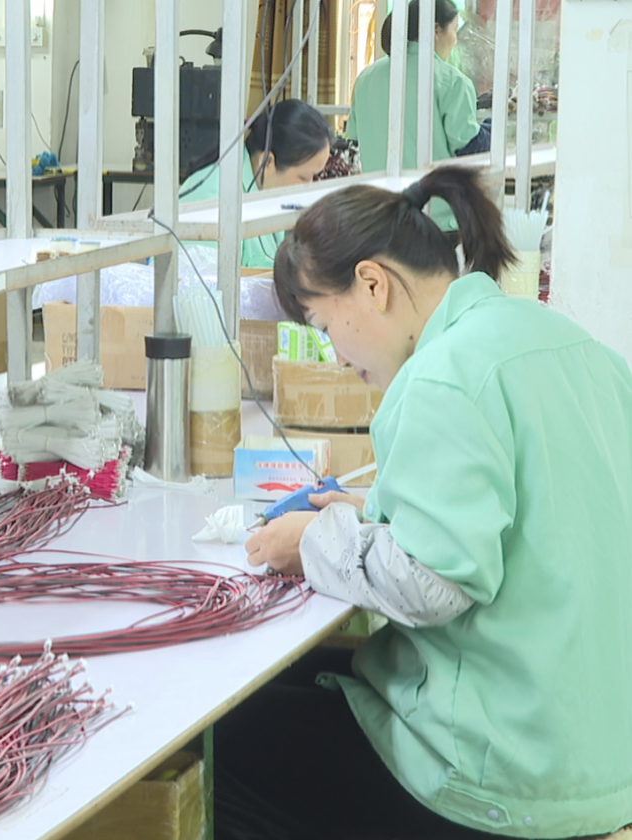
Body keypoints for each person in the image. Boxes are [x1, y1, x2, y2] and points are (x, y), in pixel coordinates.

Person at [214, 166, 632, 839]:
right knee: (305, 685)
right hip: (598, 761)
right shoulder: (564, 342)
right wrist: (366, 507)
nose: (334, 354)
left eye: (323, 323)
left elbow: (432, 586)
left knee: (222, 744)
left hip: (502, 779)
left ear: (372, 285)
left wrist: (312, 542)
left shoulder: (442, 376)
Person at [346, 0, 489, 231]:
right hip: (434, 217)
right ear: (436, 30)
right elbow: (470, 148)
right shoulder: (452, 82)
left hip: (380, 215)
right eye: (454, 30)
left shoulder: (366, 79)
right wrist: (493, 127)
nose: (455, 40)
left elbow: (354, 138)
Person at [180, 99, 331, 268]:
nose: (309, 186)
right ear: (267, 161)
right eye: (304, 177)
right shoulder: (212, 199)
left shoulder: (267, 191)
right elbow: (199, 280)